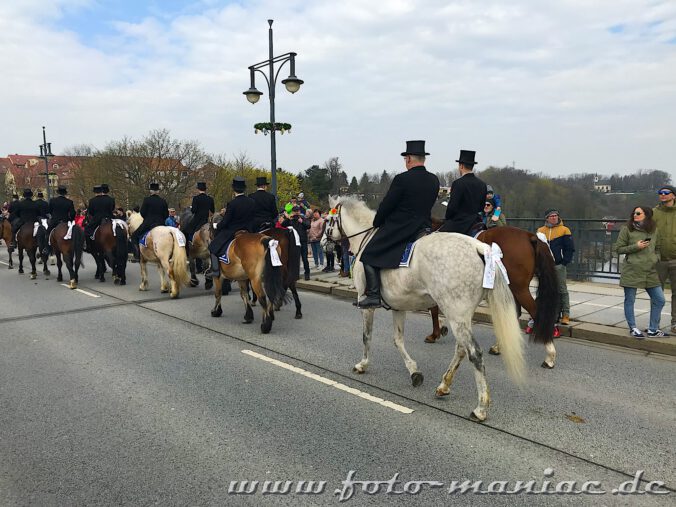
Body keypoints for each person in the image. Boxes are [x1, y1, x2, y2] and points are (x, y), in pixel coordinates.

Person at [358, 140, 440, 308]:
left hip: (402, 227)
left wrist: (378, 221)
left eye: (405, 159)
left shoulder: (402, 179)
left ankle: (373, 295)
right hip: (424, 226)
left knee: (367, 254)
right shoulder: (434, 180)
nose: (405, 162)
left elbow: (388, 204)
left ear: (409, 159)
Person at [614, 206, 668, 338]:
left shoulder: (654, 230)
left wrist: (656, 258)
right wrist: (636, 247)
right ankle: (633, 328)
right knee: (630, 300)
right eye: (634, 213)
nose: (635, 215)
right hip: (632, 269)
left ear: (647, 215)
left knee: (659, 299)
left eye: (638, 213)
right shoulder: (627, 229)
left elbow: (658, 248)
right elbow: (619, 249)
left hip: (650, 270)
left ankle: (653, 329)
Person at [208, 177, 255, 277]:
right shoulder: (251, 201)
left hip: (233, 230)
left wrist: (217, 226)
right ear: (244, 189)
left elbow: (226, 221)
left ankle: (215, 271)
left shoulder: (232, 203)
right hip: (249, 230)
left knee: (212, 246)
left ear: (234, 189)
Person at [537, 209, 575, 325]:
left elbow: (569, 248)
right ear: (546, 218)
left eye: (556, 216)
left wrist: (564, 262)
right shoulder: (540, 231)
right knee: (544, 289)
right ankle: (543, 312)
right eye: (551, 216)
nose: (554, 218)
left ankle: (566, 315)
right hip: (545, 265)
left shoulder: (564, 230)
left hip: (558, 265)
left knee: (561, 290)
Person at [438, 150, 487, 235]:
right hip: (477, 222)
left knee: (438, 236)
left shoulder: (458, 183)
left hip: (460, 224)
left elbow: (452, 208)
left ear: (461, 166)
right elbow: (481, 207)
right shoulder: (482, 184)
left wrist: (447, 218)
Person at [653, 184, 676, 333]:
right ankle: (654, 323)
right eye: (660, 192)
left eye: (666, 192)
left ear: (673, 195)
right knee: (656, 292)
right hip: (659, 260)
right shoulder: (654, 212)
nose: (663, 195)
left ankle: (675, 323)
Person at [130, 183, 169, 247]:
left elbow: (142, 212)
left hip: (148, 223)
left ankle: (138, 254)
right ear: (158, 191)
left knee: (134, 236)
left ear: (151, 191)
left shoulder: (147, 200)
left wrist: (147, 218)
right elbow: (166, 214)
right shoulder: (163, 201)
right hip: (161, 223)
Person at [281, 205, 311, 280]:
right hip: (294, 242)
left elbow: (308, 226)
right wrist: (288, 218)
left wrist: (302, 222)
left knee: (304, 258)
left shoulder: (303, 218)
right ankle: (295, 274)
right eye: (295, 211)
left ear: (299, 211)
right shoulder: (291, 219)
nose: (297, 213)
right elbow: (283, 225)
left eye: (298, 211)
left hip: (303, 241)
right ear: (293, 212)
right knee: (294, 259)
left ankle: (307, 273)